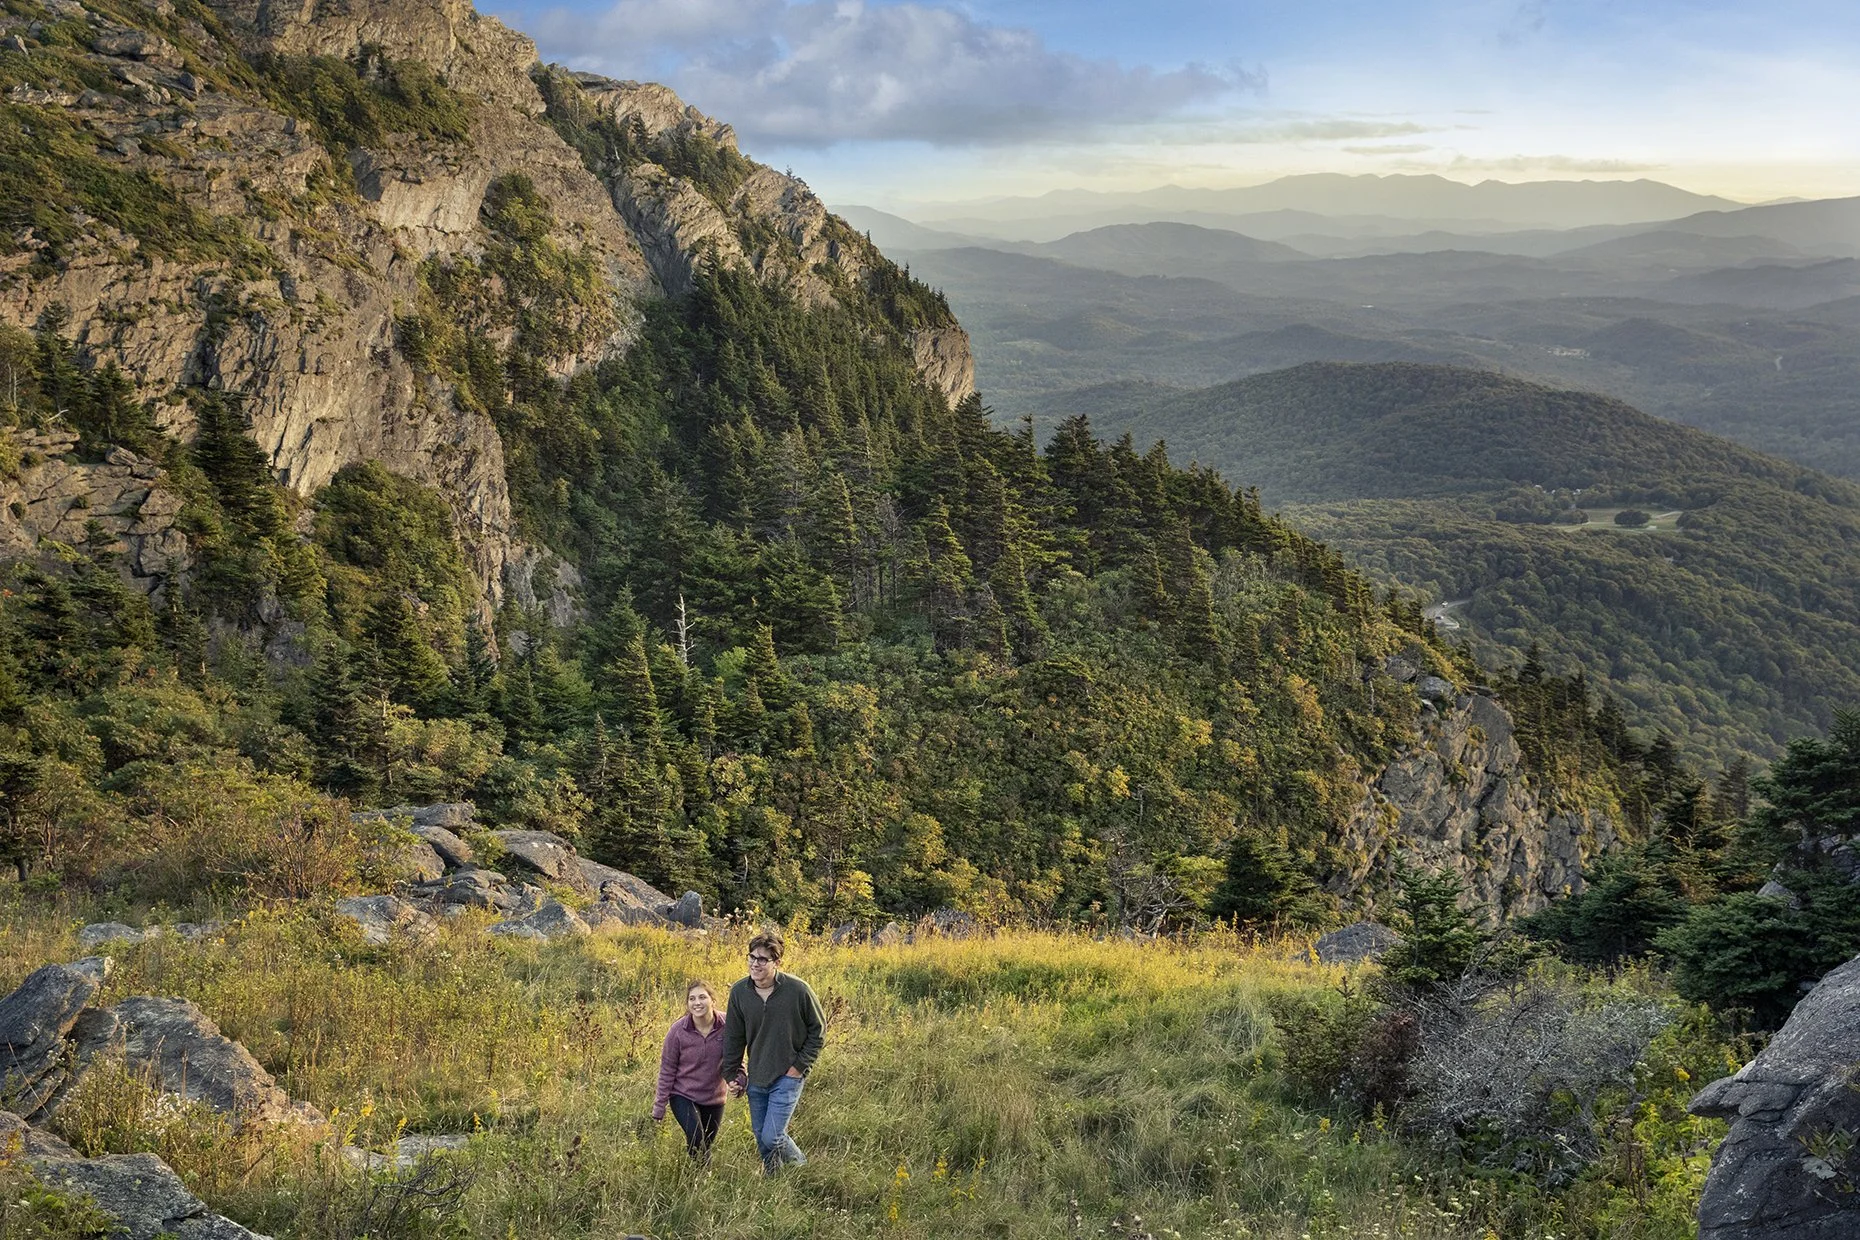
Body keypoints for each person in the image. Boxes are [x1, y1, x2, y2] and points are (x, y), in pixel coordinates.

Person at [721, 928, 825, 1172]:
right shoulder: (739, 992)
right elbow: (733, 1037)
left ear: (777, 962)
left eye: (762, 959)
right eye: (751, 957)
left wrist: (799, 1067)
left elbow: (818, 1031)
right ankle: (774, 1181)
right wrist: (731, 1074)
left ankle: (800, 1166)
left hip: (788, 1075)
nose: (755, 964)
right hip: (757, 1075)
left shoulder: (798, 990)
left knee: (772, 1137)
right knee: (761, 1138)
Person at [654, 979, 736, 1162]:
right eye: (692, 999)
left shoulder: (728, 1025)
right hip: (683, 1094)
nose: (697, 1003)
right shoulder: (677, 1031)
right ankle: (703, 1183)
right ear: (687, 1004)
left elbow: (735, 1058)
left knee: (704, 1144)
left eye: (702, 997)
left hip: (714, 1097)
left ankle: (693, 1178)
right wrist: (660, 1106)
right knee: (698, 1142)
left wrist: (740, 1079)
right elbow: (667, 1070)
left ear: (712, 1000)